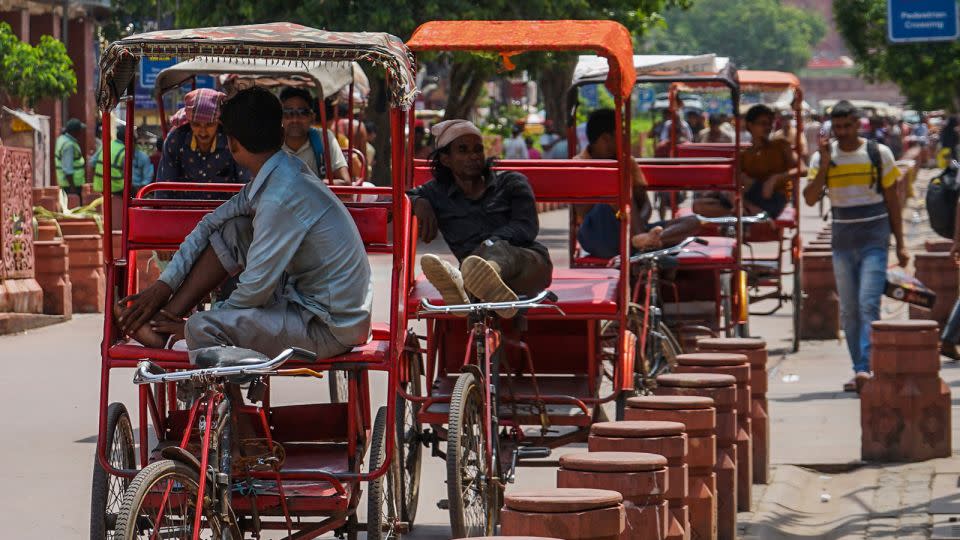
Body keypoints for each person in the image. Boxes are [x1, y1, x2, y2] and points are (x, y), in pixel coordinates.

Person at [116, 87, 372, 362]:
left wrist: (201, 323)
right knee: (234, 230)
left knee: (204, 326)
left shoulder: (279, 197)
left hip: (328, 328)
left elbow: (254, 290)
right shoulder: (279, 173)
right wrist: (164, 285)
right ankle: (166, 321)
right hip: (309, 304)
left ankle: (176, 337)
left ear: (232, 144)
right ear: (282, 134)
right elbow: (209, 225)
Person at [803, 100, 908, 393]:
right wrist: (824, 165)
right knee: (849, 311)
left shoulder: (878, 153)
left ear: (858, 124)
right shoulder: (823, 158)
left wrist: (900, 244)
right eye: (837, 127)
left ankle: (865, 368)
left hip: (875, 238)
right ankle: (859, 365)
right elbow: (810, 198)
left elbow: (893, 201)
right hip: (842, 241)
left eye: (848, 126)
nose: (843, 132)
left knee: (867, 304)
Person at [409, 119, 552, 318]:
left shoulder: (511, 182)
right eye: (463, 150)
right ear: (445, 159)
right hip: (482, 278)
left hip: (528, 267)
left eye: (478, 149)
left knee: (496, 251)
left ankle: (468, 281)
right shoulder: (435, 193)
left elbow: (526, 227)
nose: (473, 156)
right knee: (475, 274)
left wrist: (488, 245)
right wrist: (416, 201)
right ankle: (473, 284)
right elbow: (392, 199)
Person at [575, 109, 699, 259]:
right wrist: (622, 213)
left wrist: (639, 227)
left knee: (693, 221)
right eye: (622, 133)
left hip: (632, 230)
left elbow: (645, 204)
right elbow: (581, 212)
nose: (626, 138)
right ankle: (645, 244)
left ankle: (652, 241)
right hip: (597, 235)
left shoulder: (627, 162)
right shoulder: (579, 165)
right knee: (617, 193)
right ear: (606, 138)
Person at [693, 104, 803, 218]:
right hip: (748, 200)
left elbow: (803, 169)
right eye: (763, 124)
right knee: (698, 206)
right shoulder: (744, 154)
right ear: (750, 125)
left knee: (740, 179)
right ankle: (748, 213)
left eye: (770, 123)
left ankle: (748, 212)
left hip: (773, 198)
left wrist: (775, 179)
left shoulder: (781, 145)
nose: (768, 127)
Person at [157, 89, 250, 198]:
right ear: (189, 122)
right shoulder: (176, 140)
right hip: (183, 211)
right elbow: (164, 188)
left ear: (218, 121)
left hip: (225, 212)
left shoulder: (232, 140)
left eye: (209, 125)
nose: (203, 131)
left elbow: (245, 184)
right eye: (196, 124)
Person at [279, 87, 350, 185]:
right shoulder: (271, 142)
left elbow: (346, 184)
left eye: (302, 113)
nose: (295, 120)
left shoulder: (324, 138)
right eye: (288, 113)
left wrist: (305, 184)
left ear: (312, 118)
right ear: (280, 117)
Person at [92, 125, 155, 194]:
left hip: (100, 187)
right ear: (128, 139)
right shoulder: (124, 151)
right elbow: (126, 175)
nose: (134, 144)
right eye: (133, 140)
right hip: (117, 188)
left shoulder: (107, 145)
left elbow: (92, 162)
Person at [55, 118, 86, 197]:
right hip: (71, 185)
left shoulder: (62, 139)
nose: (80, 132)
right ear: (74, 132)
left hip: (66, 183)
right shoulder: (69, 145)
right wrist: (72, 187)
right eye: (79, 130)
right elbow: (67, 168)